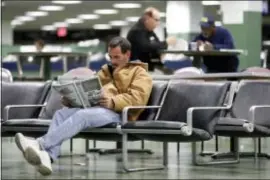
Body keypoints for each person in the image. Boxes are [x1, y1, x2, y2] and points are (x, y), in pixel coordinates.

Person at [14, 37, 153, 176]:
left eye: (117, 57)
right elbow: (91, 91)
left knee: (83, 116)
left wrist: (113, 101)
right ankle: (48, 157)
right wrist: (72, 100)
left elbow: (138, 98)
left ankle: (40, 144)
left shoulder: (140, 73)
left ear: (127, 54)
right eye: (110, 57)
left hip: (120, 113)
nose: (113, 61)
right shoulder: (105, 72)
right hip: (98, 110)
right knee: (61, 114)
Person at [127, 7, 176, 72]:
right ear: (147, 18)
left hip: (148, 68)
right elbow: (146, 47)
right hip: (137, 70)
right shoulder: (137, 31)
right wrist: (166, 43)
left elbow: (156, 45)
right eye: (156, 20)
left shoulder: (149, 32)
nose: (158, 23)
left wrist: (161, 51)